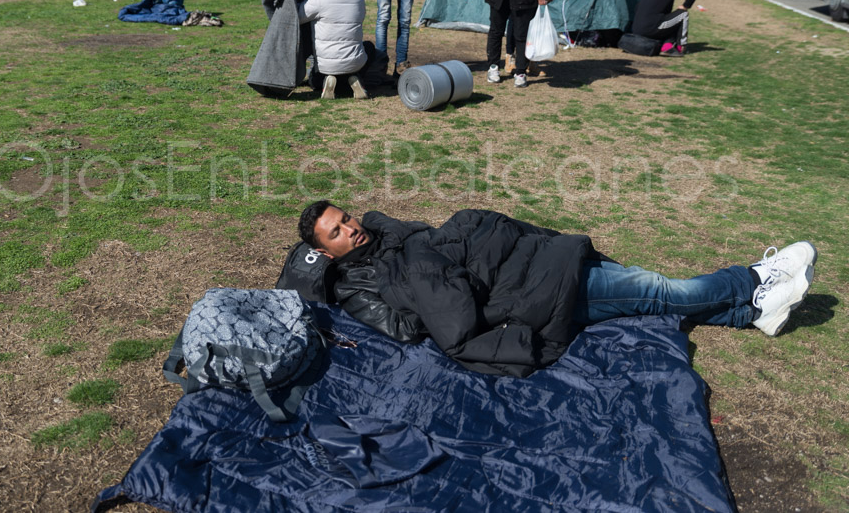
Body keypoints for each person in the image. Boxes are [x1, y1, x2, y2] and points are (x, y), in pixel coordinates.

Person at [297, 200, 818, 378]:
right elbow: (410, 326)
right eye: (337, 232)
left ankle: (750, 314)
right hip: (529, 293)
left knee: (639, 294)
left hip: (520, 268)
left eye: (345, 218)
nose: (351, 229)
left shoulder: (387, 230)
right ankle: (752, 279)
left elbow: (446, 242)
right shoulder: (356, 286)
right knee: (655, 289)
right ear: (326, 250)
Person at [295, 0, 371, 100]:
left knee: (314, 79)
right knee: (370, 48)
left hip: (326, 65)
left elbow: (296, 16)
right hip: (354, 63)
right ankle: (352, 78)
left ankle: (329, 81)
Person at [631, 0, 698, 55]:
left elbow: (636, 9)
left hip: (637, 29)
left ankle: (668, 45)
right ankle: (681, 46)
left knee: (671, 20)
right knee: (683, 14)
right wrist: (685, 6)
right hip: (651, 27)